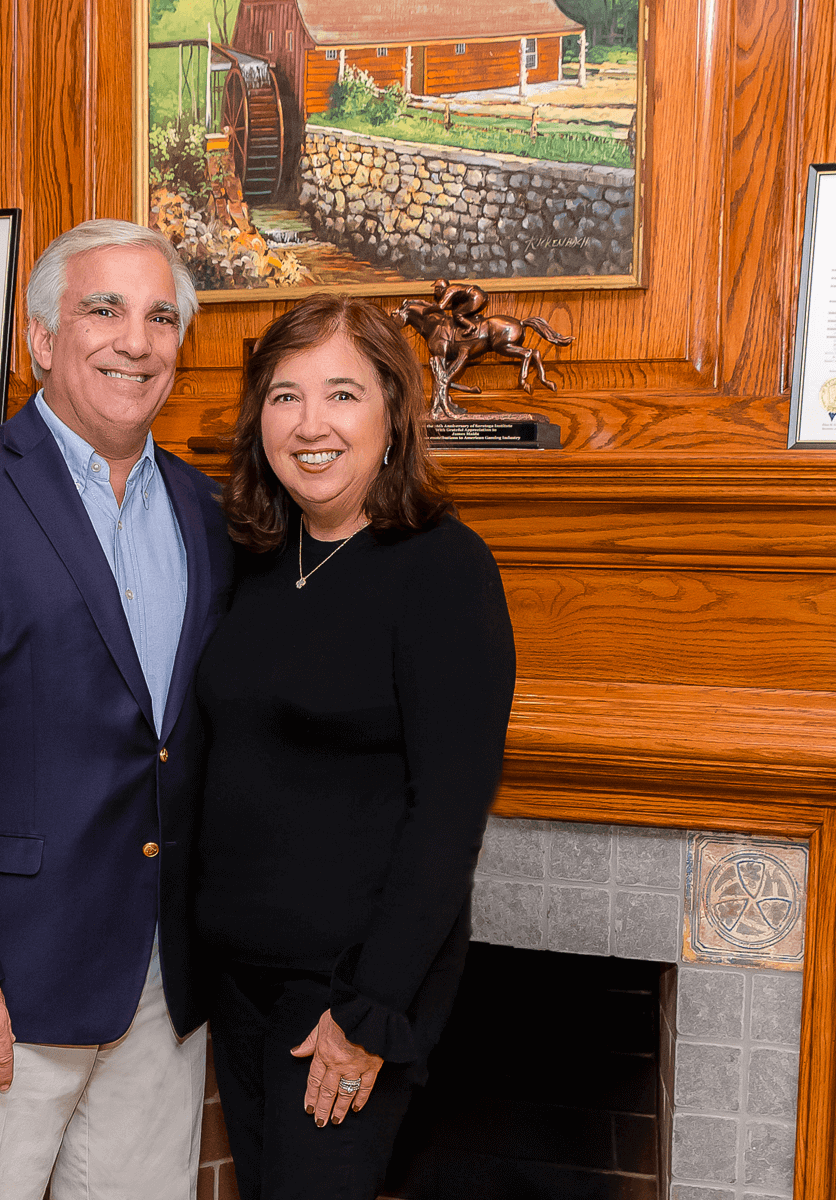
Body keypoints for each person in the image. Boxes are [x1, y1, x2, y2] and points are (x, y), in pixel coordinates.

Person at [0, 218, 233, 1198]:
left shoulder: (207, 512)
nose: (135, 341)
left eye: (158, 317)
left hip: (161, 986)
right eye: (102, 309)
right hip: (2, 986)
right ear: (39, 337)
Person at [194, 294, 516, 1200]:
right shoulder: (257, 559)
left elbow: (448, 817)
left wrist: (367, 1015)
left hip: (342, 997)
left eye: (342, 394)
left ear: (392, 413)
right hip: (240, 985)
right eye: (285, 396)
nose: (311, 424)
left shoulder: (444, 570)